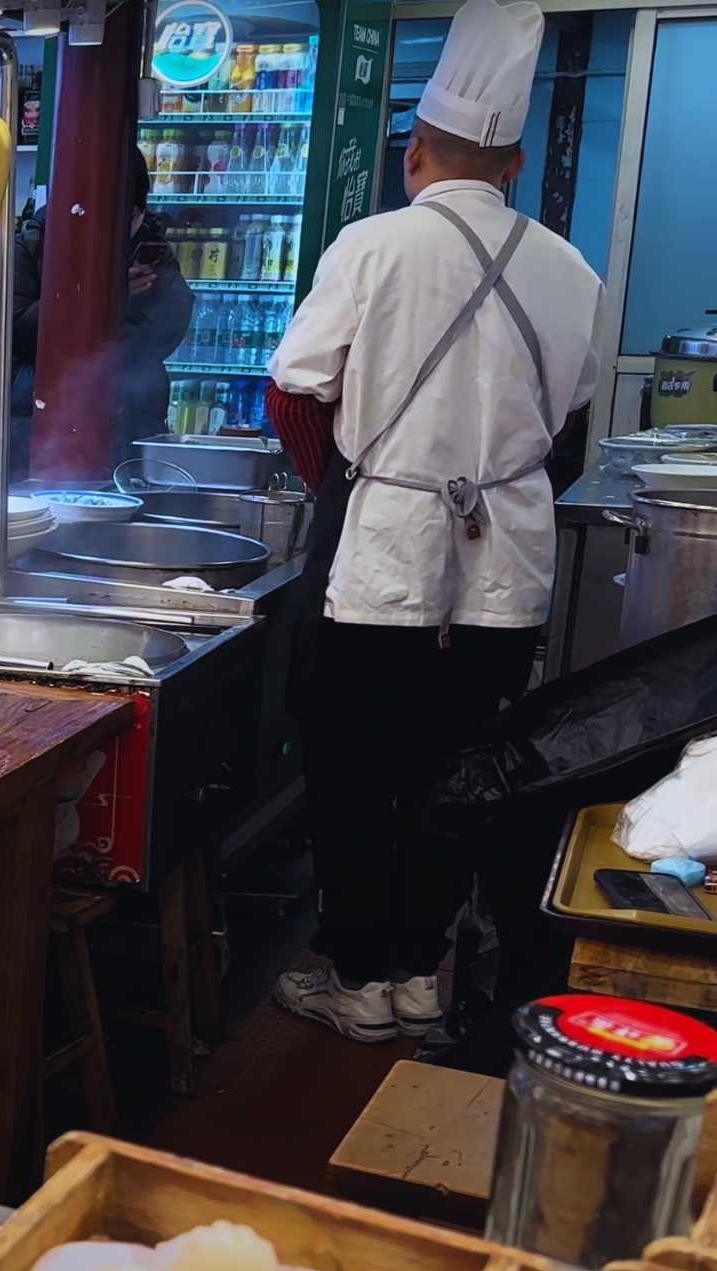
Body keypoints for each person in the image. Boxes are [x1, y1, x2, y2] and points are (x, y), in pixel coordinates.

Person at [263, 0, 602, 1042]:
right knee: (461, 766)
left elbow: (292, 395)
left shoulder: (373, 246)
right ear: (507, 165)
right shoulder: (571, 270)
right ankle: (420, 973)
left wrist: (353, 489)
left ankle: (358, 978)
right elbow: (572, 439)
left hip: (382, 557)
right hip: (507, 564)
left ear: (415, 152)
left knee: (353, 766)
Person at [7, 146, 195, 480]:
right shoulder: (32, 244)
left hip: (129, 423)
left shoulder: (152, 252)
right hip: (39, 419)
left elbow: (163, 334)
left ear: (137, 212)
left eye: (124, 216)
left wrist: (113, 305)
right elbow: (16, 331)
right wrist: (105, 295)